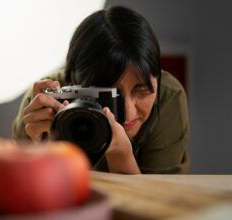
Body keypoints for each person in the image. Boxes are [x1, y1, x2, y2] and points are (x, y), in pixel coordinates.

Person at [12, 6, 190, 174]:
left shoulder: (167, 96)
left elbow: (160, 201)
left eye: (142, 90)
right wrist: (36, 148)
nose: (128, 113)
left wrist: (121, 155)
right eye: (109, 94)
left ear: (157, 79)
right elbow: (19, 191)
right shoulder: (45, 101)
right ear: (75, 80)